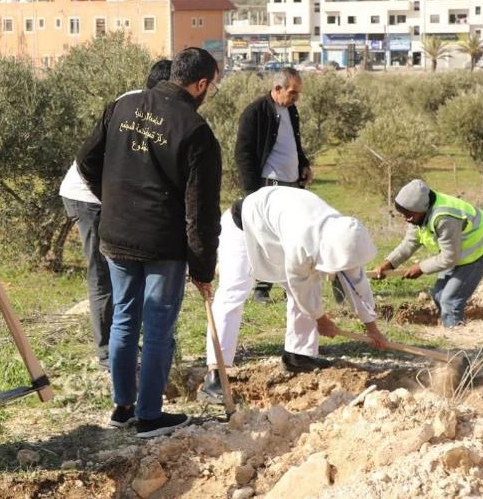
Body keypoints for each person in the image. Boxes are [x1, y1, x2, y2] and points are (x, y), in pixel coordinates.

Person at [76, 47, 222, 439]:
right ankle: (150, 416)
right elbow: (201, 212)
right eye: (212, 85)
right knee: (158, 326)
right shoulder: (195, 131)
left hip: (117, 235)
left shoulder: (123, 107)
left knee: (124, 317)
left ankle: (123, 407)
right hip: (162, 245)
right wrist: (204, 267)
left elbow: (86, 162)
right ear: (201, 83)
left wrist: (114, 200)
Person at [202, 187, 387, 396]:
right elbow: (301, 290)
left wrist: (372, 328)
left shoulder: (345, 236)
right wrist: (322, 320)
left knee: (312, 285)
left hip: (275, 229)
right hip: (242, 226)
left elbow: (357, 283)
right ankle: (216, 372)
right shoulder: (303, 243)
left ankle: (299, 355)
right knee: (233, 292)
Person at [58, 59, 173, 366]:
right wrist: (111, 197)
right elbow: (90, 159)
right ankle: (107, 350)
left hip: (111, 197)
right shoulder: (128, 106)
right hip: (87, 197)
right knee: (102, 273)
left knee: (122, 273)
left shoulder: (159, 111)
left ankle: (124, 345)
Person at [373, 179, 483, 328]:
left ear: (421, 209)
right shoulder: (418, 213)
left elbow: (450, 257)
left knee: (450, 300)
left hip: (478, 249)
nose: (405, 219)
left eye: (408, 215)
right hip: (456, 250)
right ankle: (449, 326)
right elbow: (410, 242)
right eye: (403, 214)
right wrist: (388, 264)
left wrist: (421, 267)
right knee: (439, 295)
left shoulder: (444, 218)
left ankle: (457, 342)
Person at [235, 67, 312, 304]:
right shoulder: (256, 112)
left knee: (293, 235)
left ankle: (292, 283)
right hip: (270, 185)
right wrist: (252, 193)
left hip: (292, 184)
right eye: (292, 92)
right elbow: (243, 153)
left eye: (297, 93)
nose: (295, 98)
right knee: (267, 236)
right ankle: (261, 287)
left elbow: (294, 144)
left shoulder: (291, 111)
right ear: (277, 88)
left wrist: (304, 164)